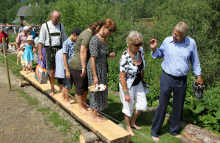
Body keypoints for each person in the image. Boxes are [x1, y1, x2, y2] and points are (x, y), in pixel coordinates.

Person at [150, 22, 204, 141]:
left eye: (177, 35)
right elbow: (159, 55)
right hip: (167, 77)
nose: (174, 36)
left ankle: (174, 130)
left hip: (181, 79)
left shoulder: (191, 43)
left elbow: (195, 61)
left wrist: (198, 75)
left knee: (178, 106)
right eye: (174, 33)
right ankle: (155, 131)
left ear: (184, 35)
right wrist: (154, 49)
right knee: (162, 105)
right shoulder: (167, 41)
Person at [68, 21, 102, 112]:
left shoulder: (87, 33)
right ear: (96, 29)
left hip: (82, 64)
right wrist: (83, 67)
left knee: (84, 87)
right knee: (80, 87)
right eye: (99, 30)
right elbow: (83, 50)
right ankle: (80, 107)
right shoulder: (87, 35)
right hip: (78, 65)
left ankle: (83, 104)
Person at [87, 18, 116, 121]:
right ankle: (93, 115)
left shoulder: (103, 38)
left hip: (102, 68)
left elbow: (101, 53)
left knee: (101, 89)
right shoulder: (94, 40)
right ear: (104, 27)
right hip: (94, 68)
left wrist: (108, 54)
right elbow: (93, 59)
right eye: (110, 31)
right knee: (95, 90)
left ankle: (97, 111)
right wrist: (95, 76)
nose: (110, 33)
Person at [119, 31, 147, 136]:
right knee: (128, 107)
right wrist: (126, 93)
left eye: (140, 44)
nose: (139, 46)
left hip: (138, 82)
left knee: (142, 104)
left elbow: (142, 68)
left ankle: (133, 122)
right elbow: (122, 76)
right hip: (127, 84)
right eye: (136, 45)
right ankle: (128, 127)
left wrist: (142, 79)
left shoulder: (141, 51)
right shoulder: (125, 57)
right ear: (130, 44)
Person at [38, 10, 67, 96]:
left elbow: (65, 40)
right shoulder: (45, 26)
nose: (57, 20)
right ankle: (53, 89)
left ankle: (61, 89)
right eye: (55, 18)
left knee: (61, 70)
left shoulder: (61, 26)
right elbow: (40, 41)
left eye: (58, 18)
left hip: (59, 49)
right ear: (51, 17)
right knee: (51, 71)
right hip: (49, 49)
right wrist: (40, 54)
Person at [55, 28, 81, 101]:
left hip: (74, 67)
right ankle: (66, 100)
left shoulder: (76, 42)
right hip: (68, 67)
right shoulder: (66, 43)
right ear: (74, 35)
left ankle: (65, 97)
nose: (78, 39)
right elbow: (64, 57)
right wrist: (67, 70)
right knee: (68, 85)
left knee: (74, 85)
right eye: (77, 38)